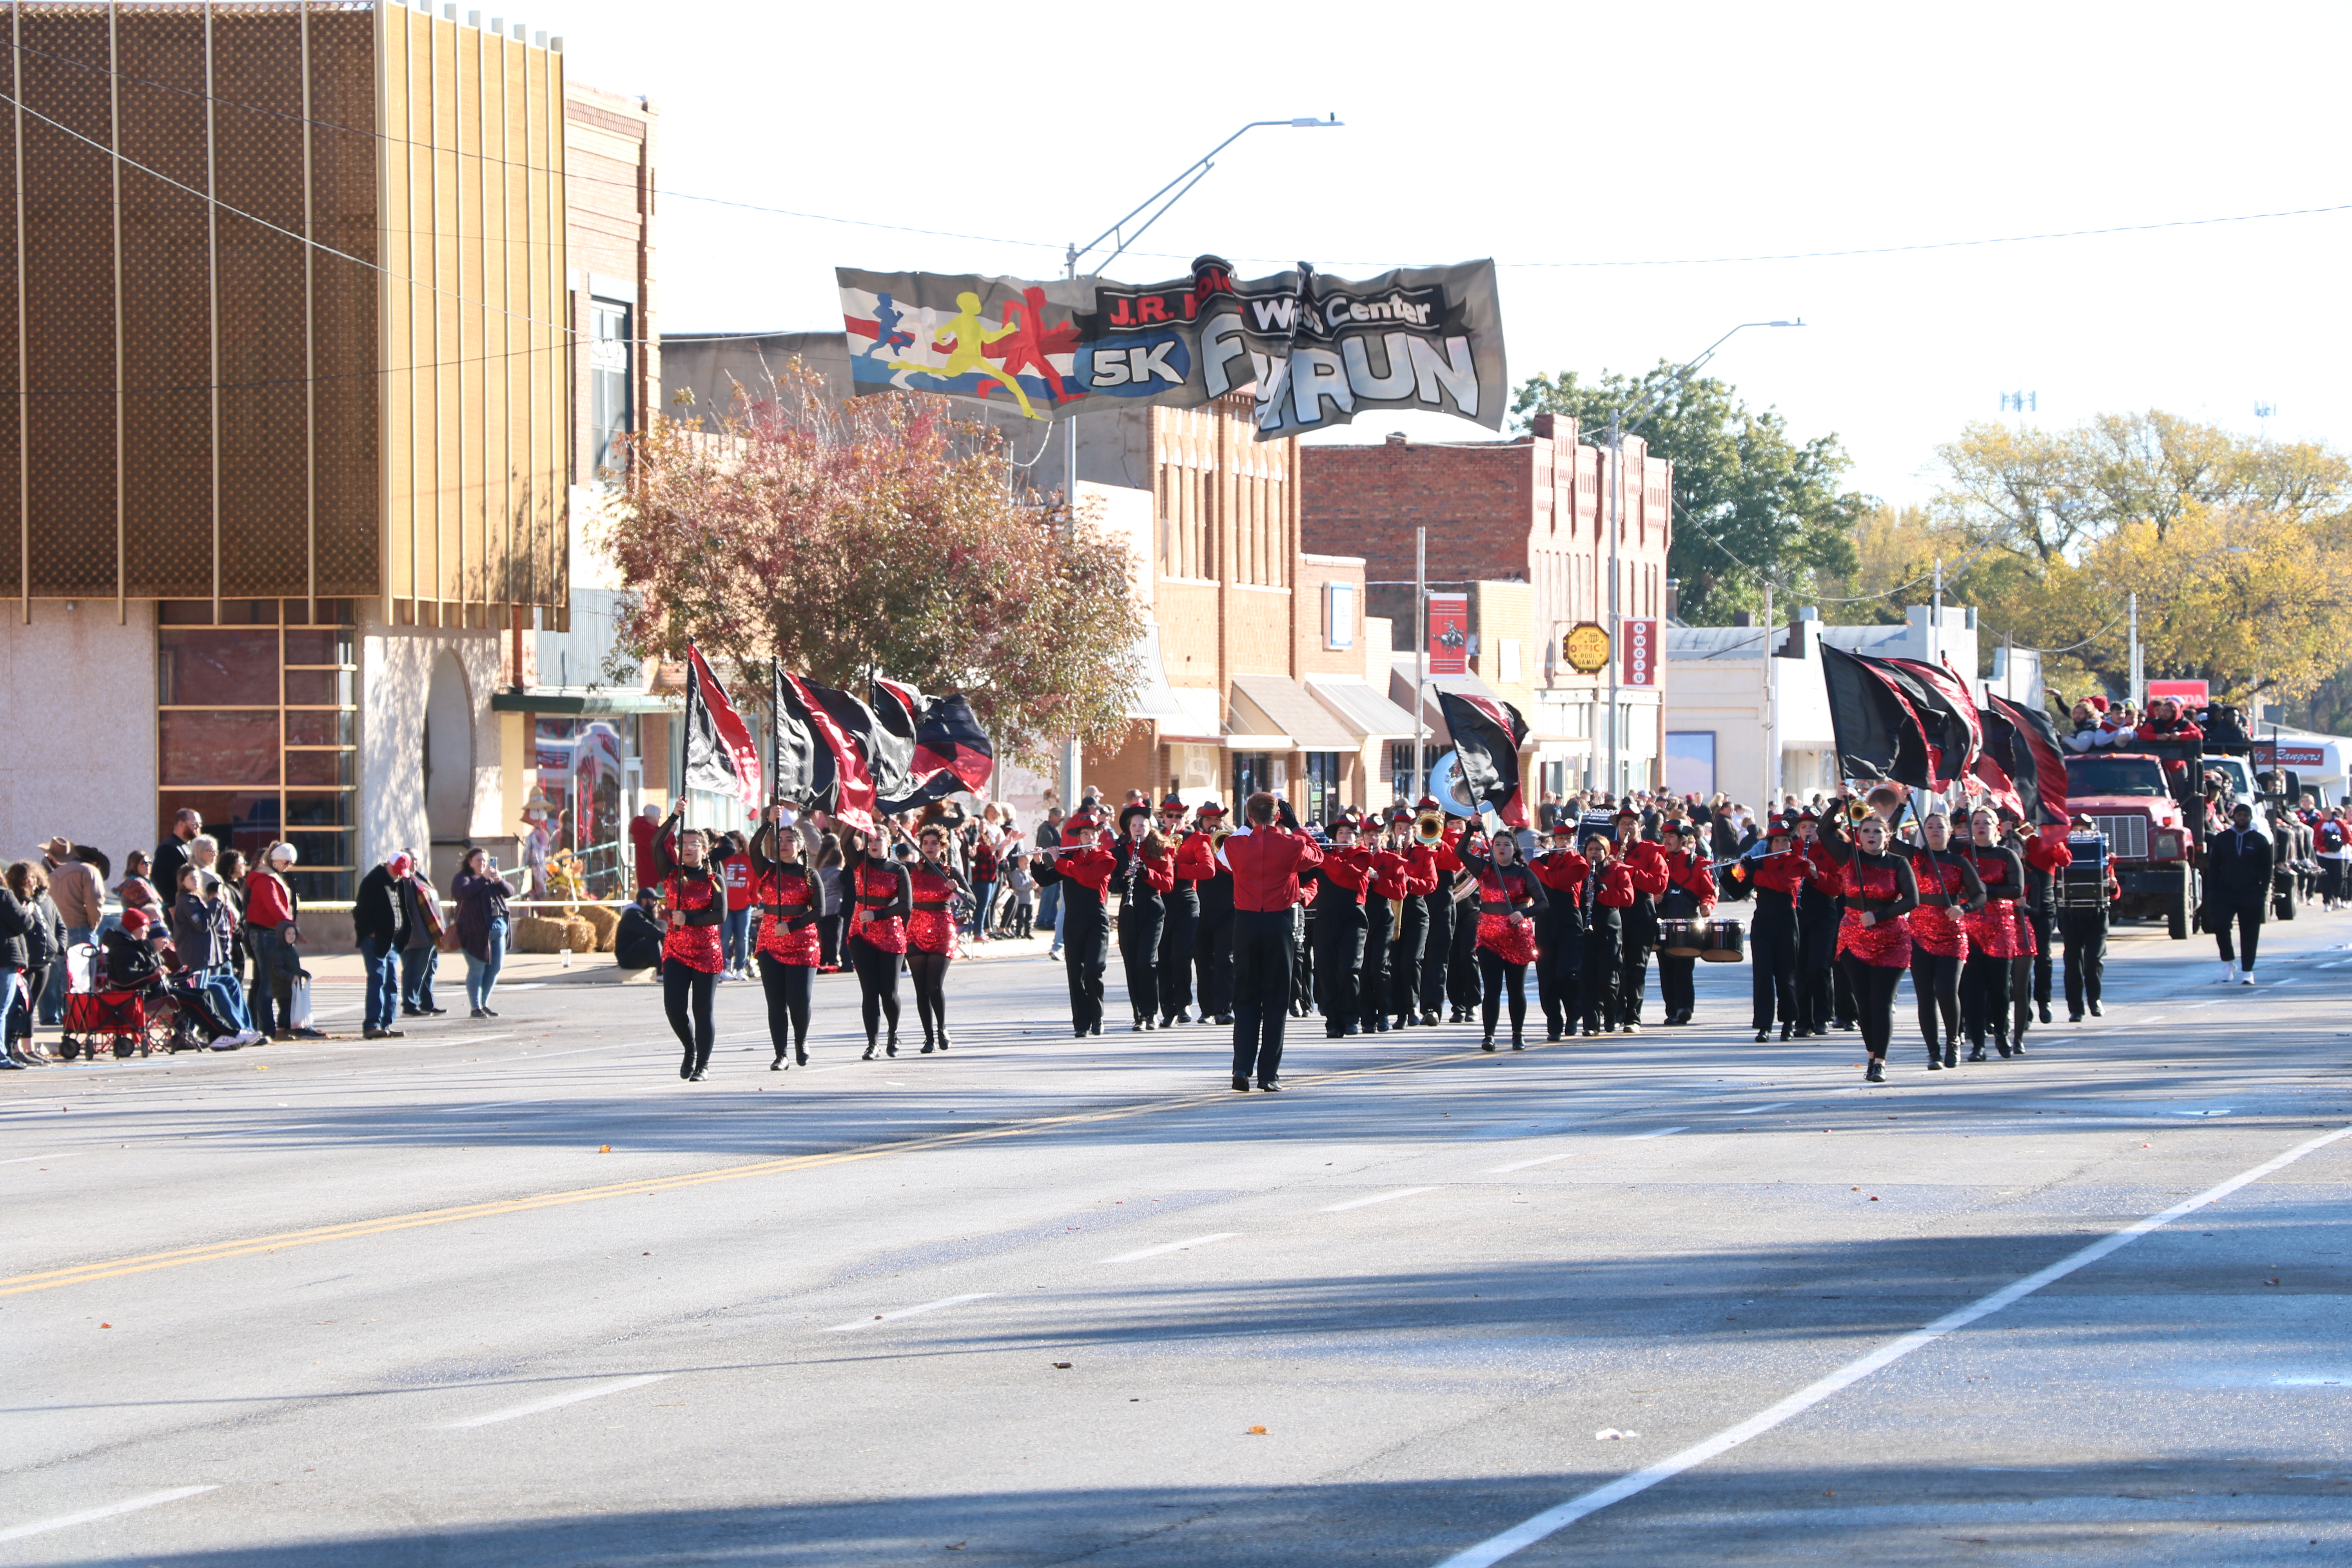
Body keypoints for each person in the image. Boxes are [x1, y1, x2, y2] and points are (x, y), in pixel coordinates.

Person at [1218, 793, 1321, 1091]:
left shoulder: (1234, 843)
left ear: (1249, 818)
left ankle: (1241, 1068)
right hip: (1278, 921)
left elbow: (1226, 860)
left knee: (1245, 997)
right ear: (1279, 817)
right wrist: (1297, 826)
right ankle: (1269, 1075)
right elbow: (1318, 856)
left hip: (1246, 922)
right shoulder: (1294, 843)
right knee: (1276, 1000)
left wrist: (1252, 826)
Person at [1817, 804, 1920, 1083]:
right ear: (1859, 835)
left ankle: (1881, 1063)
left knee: (1882, 1001)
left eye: (1878, 831)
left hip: (1891, 937)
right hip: (1854, 934)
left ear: (1888, 837)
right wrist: (1838, 802)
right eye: (1866, 831)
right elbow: (1823, 831)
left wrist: (1880, 915)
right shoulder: (1850, 857)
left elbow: (1912, 900)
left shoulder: (1899, 863)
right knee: (1863, 1002)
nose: (1872, 835)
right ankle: (1872, 1054)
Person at [1906, 809, 1985, 1071]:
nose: (1935, 830)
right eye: (1930, 827)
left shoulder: (1959, 862)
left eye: (1940, 826)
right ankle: (1933, 1051)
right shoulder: (1916, 859)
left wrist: (1964, 908)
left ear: (1949, 832)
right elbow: (1891, 839)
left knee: (1946, 990)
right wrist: (1899, 805)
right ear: (1924, 833)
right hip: (1919, 932)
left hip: (1952, 933)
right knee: (1925, 996)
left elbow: (1980, 895)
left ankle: (1953, 1041)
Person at [652, 809, 726, 1079]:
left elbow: (721, 915)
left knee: (702, 1009)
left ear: (705, 851)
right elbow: (655, 843)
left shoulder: (714, 880)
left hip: (707, 950)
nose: (687, 849)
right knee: (674, 1007)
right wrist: (673, 817)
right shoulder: (671, 875)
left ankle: (703, 1065)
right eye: (683, 844)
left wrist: (690, 918)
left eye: (694, 844)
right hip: (675, 949)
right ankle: (690, 1047)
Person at [1459, 825, 1548, 1051]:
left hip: (1517, 935)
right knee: (1492, 988)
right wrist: (1471, 829)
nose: (1501, 848)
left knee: (1516, 989)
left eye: (1506, 845)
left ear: (1514, 849)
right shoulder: (1485, 869)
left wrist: (1524, 913)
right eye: (1497, 844)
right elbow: (1460, 853)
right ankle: (1489, 1035)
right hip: (1489, 935)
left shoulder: (1524, 873)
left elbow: (1543, 903)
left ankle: (1517, 1034)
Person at [747, 808, 823, 1067]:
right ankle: (781, 1054)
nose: (784, 845)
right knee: (776, 1002)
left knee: (799, 1000)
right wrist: (768, 823)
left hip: (802, 943)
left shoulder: (810, 876)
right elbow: (754, 848)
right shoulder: (768, 871)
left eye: (790, 840)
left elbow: (820, 911)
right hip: (770, 942)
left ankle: (801, 1040)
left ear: (801, 847)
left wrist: (792, 927)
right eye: (780, 841)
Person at [1033, 808, 1116, 1038]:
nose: (1089, 838)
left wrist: (1060, 861)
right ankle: (1081, 1022)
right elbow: (1045, 879)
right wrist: (1039, 861)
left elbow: (1086, 877)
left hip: (1096, 919)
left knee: (1093, 969)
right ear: (1079, 837)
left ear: (1098, 836)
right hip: (1074, 920)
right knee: (1074, 973)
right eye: (1085, 834)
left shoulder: (1106, 858)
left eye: (1092, 833)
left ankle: (1097, 1018)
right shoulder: (1069, 858)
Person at [167, 863, 261, 1047]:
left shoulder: (196, 899)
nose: (196, 881)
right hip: (195, 959)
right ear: (182, 882)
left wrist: (218, 905)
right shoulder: (186, 902)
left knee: (230, 983)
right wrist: (215, 903)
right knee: (200, 994)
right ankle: (190, 1033)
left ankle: (244, 1028)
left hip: (208, 957)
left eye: (197, 878)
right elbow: (202, 925)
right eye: (191, 879)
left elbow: (212, 923)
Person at [1960, 807, 2028, 1060]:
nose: (1981, 826)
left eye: (1987, 822)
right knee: (1973, 988)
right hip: (1970, 927)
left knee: (1999, 988)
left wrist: (1982, 889)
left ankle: (2002, 1033)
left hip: (2000, 927)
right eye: (1976, 822)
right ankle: (1977, 1044)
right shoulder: (1965, 855)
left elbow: (2015, 890)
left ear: (1997, 827)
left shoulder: (2007, 855)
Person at [842, 821, 913, 1058]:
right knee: (869, 991)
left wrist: (879, 914)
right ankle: (873, 1043)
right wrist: (855, 819)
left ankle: (893, 1033)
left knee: (889, 992)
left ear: (889, 843)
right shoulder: (860, 863)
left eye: (879, 840)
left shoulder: (898, 869)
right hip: (861, 932)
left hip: (890, 933)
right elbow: (845, 841)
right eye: (870, 840)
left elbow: (906, 906)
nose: (873, 844)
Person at [903, 820, 968, 1054]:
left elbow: (973, 900)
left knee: (934, 984)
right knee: (921, 988)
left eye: (934, 843)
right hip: (916, 929)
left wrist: (957, 889)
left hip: (942, 928)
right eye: (925, 843)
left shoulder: (951, 872)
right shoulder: (911, 871)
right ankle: (928, 1037)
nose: (929, 847)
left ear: (943, 846)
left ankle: (942, 1029)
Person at [1744, 817, 1809, 1043]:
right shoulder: (1761, 861)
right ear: (1770, 844)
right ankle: (1764, 1025)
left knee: (1786, 974)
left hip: (1786, 921)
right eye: (1777, 842)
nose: (1781, 846)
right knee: (1762, 975)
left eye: (1785, 841)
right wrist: (1741, 869)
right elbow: (1737, 887)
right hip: (1762, 921)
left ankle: (1790, 1022)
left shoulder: (1797, 862)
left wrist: (1756, 873)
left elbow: (1785, 884)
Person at [1307, 814, 1372, 1038]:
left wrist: (1317, 855)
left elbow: (1345, 871)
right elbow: (1301, 872)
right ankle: (1333, 1021)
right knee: (1326, 970)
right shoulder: (1324, 856)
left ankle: (1352, 1017)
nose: (1345, 836)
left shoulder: (1362, 855)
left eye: (1350, 833)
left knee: (1349, 968)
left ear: (1356, 837)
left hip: (1353, 918)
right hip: (1326, 918)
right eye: (1341, 833)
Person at [1652, 821, 1718, 1027]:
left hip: (1688, 923)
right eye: (1665, 836)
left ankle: (1685, 1008)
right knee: (1666, 967)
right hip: (1663, 922)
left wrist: (1707, 905)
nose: (1667, 840)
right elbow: (1646, 885)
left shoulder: (1698, 863)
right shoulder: (1658, 861)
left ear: (1683, 840)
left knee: (1684, 966)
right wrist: (1653, 895)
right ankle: (1672, 1010)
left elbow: (1709, 892)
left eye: (1671, 837)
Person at [1529, 824, 1589, 1042]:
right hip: (1545, 919)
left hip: (1569, 920)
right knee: (1546, 976)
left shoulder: (1579, 862)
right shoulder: (1544, 860)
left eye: (1567, 838)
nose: (1562, 843)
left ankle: (1574, 1014)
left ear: (1574, 840)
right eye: (1559, 838)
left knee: (1567, 974)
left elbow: (1556, 881)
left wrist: (1532, 862)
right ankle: (1554, 1022)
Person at [2201, 801, 2271, 986]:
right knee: (2221, 926)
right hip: (2225, 892)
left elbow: (2267, 868)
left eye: (2246, 816)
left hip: (2250, 893)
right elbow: (2214, 866)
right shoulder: (2223, 839)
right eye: (2239, 815)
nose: (2242, 818)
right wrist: (2213, 891)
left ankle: (2248, 970)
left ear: (2250, 818)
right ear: (2234, 817)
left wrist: (2262, 892)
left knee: (2249, 933)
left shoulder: (2259, 840)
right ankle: (2228, 962)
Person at [35, 837, 101, 1029]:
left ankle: (52, 1017)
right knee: (81, 977)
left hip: (57, 931)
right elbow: (94, 901)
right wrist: (93, 924)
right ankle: (79, 1017)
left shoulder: (53, 875)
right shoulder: (89, 871)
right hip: (81, 927)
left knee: (55, 976)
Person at [1614, 809, 1668, 1031]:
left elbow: (1659, 885)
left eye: (1632, 824)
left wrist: (1631, 872)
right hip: (1615, 910)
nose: (1627, 828)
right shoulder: (1610, 849)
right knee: (1614, 964)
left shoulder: (1651, 851)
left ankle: (1633, 1017)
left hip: (1640, 910)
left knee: (1636, 965)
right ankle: (1615, 1012)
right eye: (1623, 824)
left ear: (1641, 827)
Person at [351, 852, 414, 1039]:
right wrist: (370, 931)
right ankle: (373, 1024)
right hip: (375, 940)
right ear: (389, 864)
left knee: (392, 982)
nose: (399, 875)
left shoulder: (400, 881)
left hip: (392, 939)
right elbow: (360, 911)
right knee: (378, 980)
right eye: (397, 871)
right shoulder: (374, 880)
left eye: (402, 872)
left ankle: (386, 1023)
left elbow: (402, 907)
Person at [1160, 797, 1210, 1027]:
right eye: (1170, 815)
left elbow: (1208, 870)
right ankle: (1167, 1009)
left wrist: (1177, 869)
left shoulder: (1196, 838)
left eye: (1179, 816)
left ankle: (1183, 1004)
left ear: (1185, 818)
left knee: (1181, 955)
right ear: (1163, 817)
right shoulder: (1155, 839)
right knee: (1163, 957)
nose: (1174, 820)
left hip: (1187, 898)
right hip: (1162, 901)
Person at [2056, 815, 2112, 1020]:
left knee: (2093, 960)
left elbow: (2113, 891)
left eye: (2085, 830)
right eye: (2076, 830)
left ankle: (2095, 1000)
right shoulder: (2063, 854)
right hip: (2071, 913)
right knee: (2072, 961)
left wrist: (2112, 886)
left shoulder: (2102, 853)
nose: (2080, 834)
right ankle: (2076, 1009)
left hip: (2097, 914)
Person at [452, 847, 516, 1018]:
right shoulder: (463, 878)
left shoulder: (492, 879)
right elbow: (463, 893)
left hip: (498, 929)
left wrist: (500, 881)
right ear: (470, 861)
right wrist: (483, 879)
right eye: (479, 860)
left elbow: (510, 892)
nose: (483, 864)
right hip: (475, 932)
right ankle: (475, 1007)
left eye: (485, 861)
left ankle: (485, 1003)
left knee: (495, 968)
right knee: (477, 969)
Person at [1580, 835, 1635, 1035]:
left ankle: (1612, 1015)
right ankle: (1591, 1024)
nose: (1594, 853)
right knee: (1587, 977)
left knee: (1608, 976)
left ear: (1606, 852)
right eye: (1590, 849)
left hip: (1609, 924)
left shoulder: (1618, 870)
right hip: (1587, 924)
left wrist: (1604, 892)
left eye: (1598, 849)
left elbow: (1628, 899)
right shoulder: (1582, 871)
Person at [1793, 812, 1841, 1037]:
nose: (1809, 831)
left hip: (1824, 912)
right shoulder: (1791, 848)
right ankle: (1804, 1020)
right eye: (1804, 827)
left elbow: (1838, 888)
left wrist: (1815, 874)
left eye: (1814, 826)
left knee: (1819, 965)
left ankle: (1823, 1017)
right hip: (1798, 914)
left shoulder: (1830, 850)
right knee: (1800, 967)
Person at [1418, 802, 1463, 1027]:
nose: (1427, 818)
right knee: (1413, 957)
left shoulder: (1451, 837)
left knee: (1438, 955)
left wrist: (1438, 842)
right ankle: (1409, 1006)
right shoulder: (1411, 839)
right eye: (1423, 814)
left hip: (1442, 900)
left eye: (1432, 814)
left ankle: (1432, 1007)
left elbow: (1456, 862)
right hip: (1417, 900)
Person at [1191, 800, 1235, 1026]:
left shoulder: (1233, 841)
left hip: (1228, 909)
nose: (1213, 824)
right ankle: (1207, 1009)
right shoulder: (1195, 842)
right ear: (1202, 822)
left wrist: (1217, 851)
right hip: (1201, 908)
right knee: (1203, 961)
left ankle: (1224, 1008)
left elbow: (1235, 869)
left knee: (1225, 960)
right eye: (1208, 820)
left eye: (1217, 820)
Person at [397, 853, 446, 1018]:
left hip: (431, 935)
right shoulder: (403, 882)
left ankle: (427, 1003)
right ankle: (410, 1005)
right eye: (411, 860)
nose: (415, 863)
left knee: (429, 970)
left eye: (417, 860)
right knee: (414, 971)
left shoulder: (421, 880)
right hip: (415, 937)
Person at [715, 829, 755, 980]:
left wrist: (754, 898)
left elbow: (756, 880)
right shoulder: (723, 860)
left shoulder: (749, 859)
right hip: (727, 907)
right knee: (724, 938)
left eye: (735, 844)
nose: (733, 847)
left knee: (743, 937)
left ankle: (740, 969)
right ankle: (721, 968)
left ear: (741, 844)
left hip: (744, 906)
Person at [1033, 807, 1065, 957]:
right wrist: (1052, 864)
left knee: (1054, 897)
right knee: (1049, 895)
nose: (1062, 820)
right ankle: (1043, 920)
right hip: (1050, 867)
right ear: (1052, 816)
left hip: (1054, 865)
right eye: (1060, 817)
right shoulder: (1046, 830)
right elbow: (1047, 849)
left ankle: (1049, 920)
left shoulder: (1052, 829)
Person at [152, 808, 201, 906]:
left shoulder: (191, 847)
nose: (198, 828)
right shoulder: (168, 847)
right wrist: (171, 904)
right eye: (195, 824)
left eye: (200, 825)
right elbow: (158, 878)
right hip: (178, 907)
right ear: (182, 824)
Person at [615, 887, 665, 973]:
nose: (657, 903)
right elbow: (649, 929)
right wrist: (668, 938)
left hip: (638, 955)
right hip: (627, 959)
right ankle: (662, 973)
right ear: (644, 901)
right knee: (653, 940)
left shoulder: (643, 914)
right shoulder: (632, 915)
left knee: (662, 926)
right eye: (654, 900)